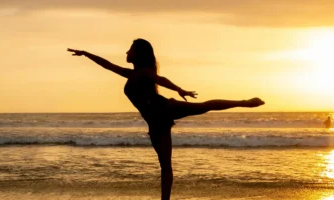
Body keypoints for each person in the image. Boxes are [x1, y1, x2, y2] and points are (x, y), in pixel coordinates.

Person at [67, 39, 265, 200]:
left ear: (139, 53)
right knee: (165, 165)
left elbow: (161, 80)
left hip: (164, 109)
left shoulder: (145, 73)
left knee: (204, 106)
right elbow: (107, 65)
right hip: (155, 123)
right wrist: (86, 54)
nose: (126, 53)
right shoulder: (132, 73)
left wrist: (179, 89)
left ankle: (245, 102)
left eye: (130, 50)